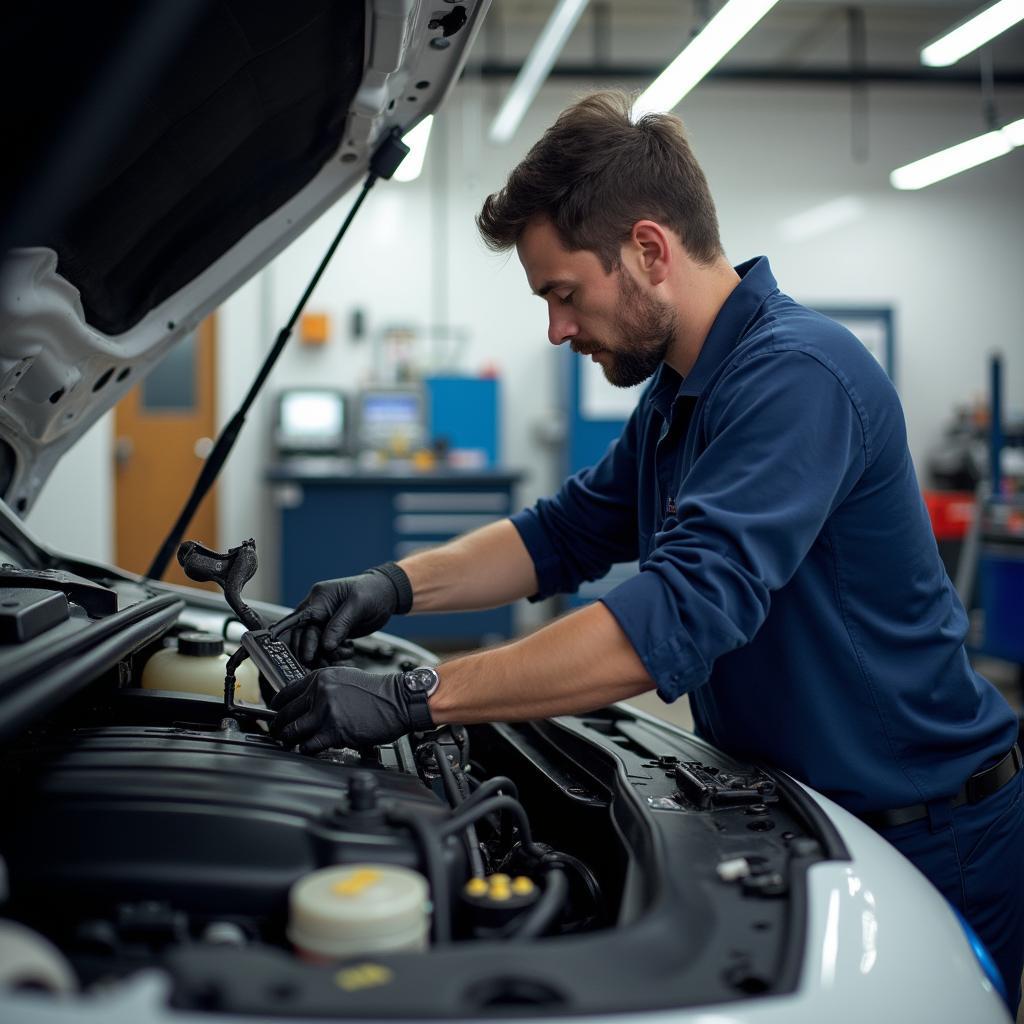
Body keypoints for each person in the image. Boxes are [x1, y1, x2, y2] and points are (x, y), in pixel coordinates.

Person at [269, 91, 1024, 1008]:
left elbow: (677, 617)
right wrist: (389, 587)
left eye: (563, 293)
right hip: (808, 812)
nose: (556, 328)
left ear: (650, 252)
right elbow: (562, 534)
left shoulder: (797, 376)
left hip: (927, 830)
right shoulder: (679, 395)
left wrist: (418, 697)